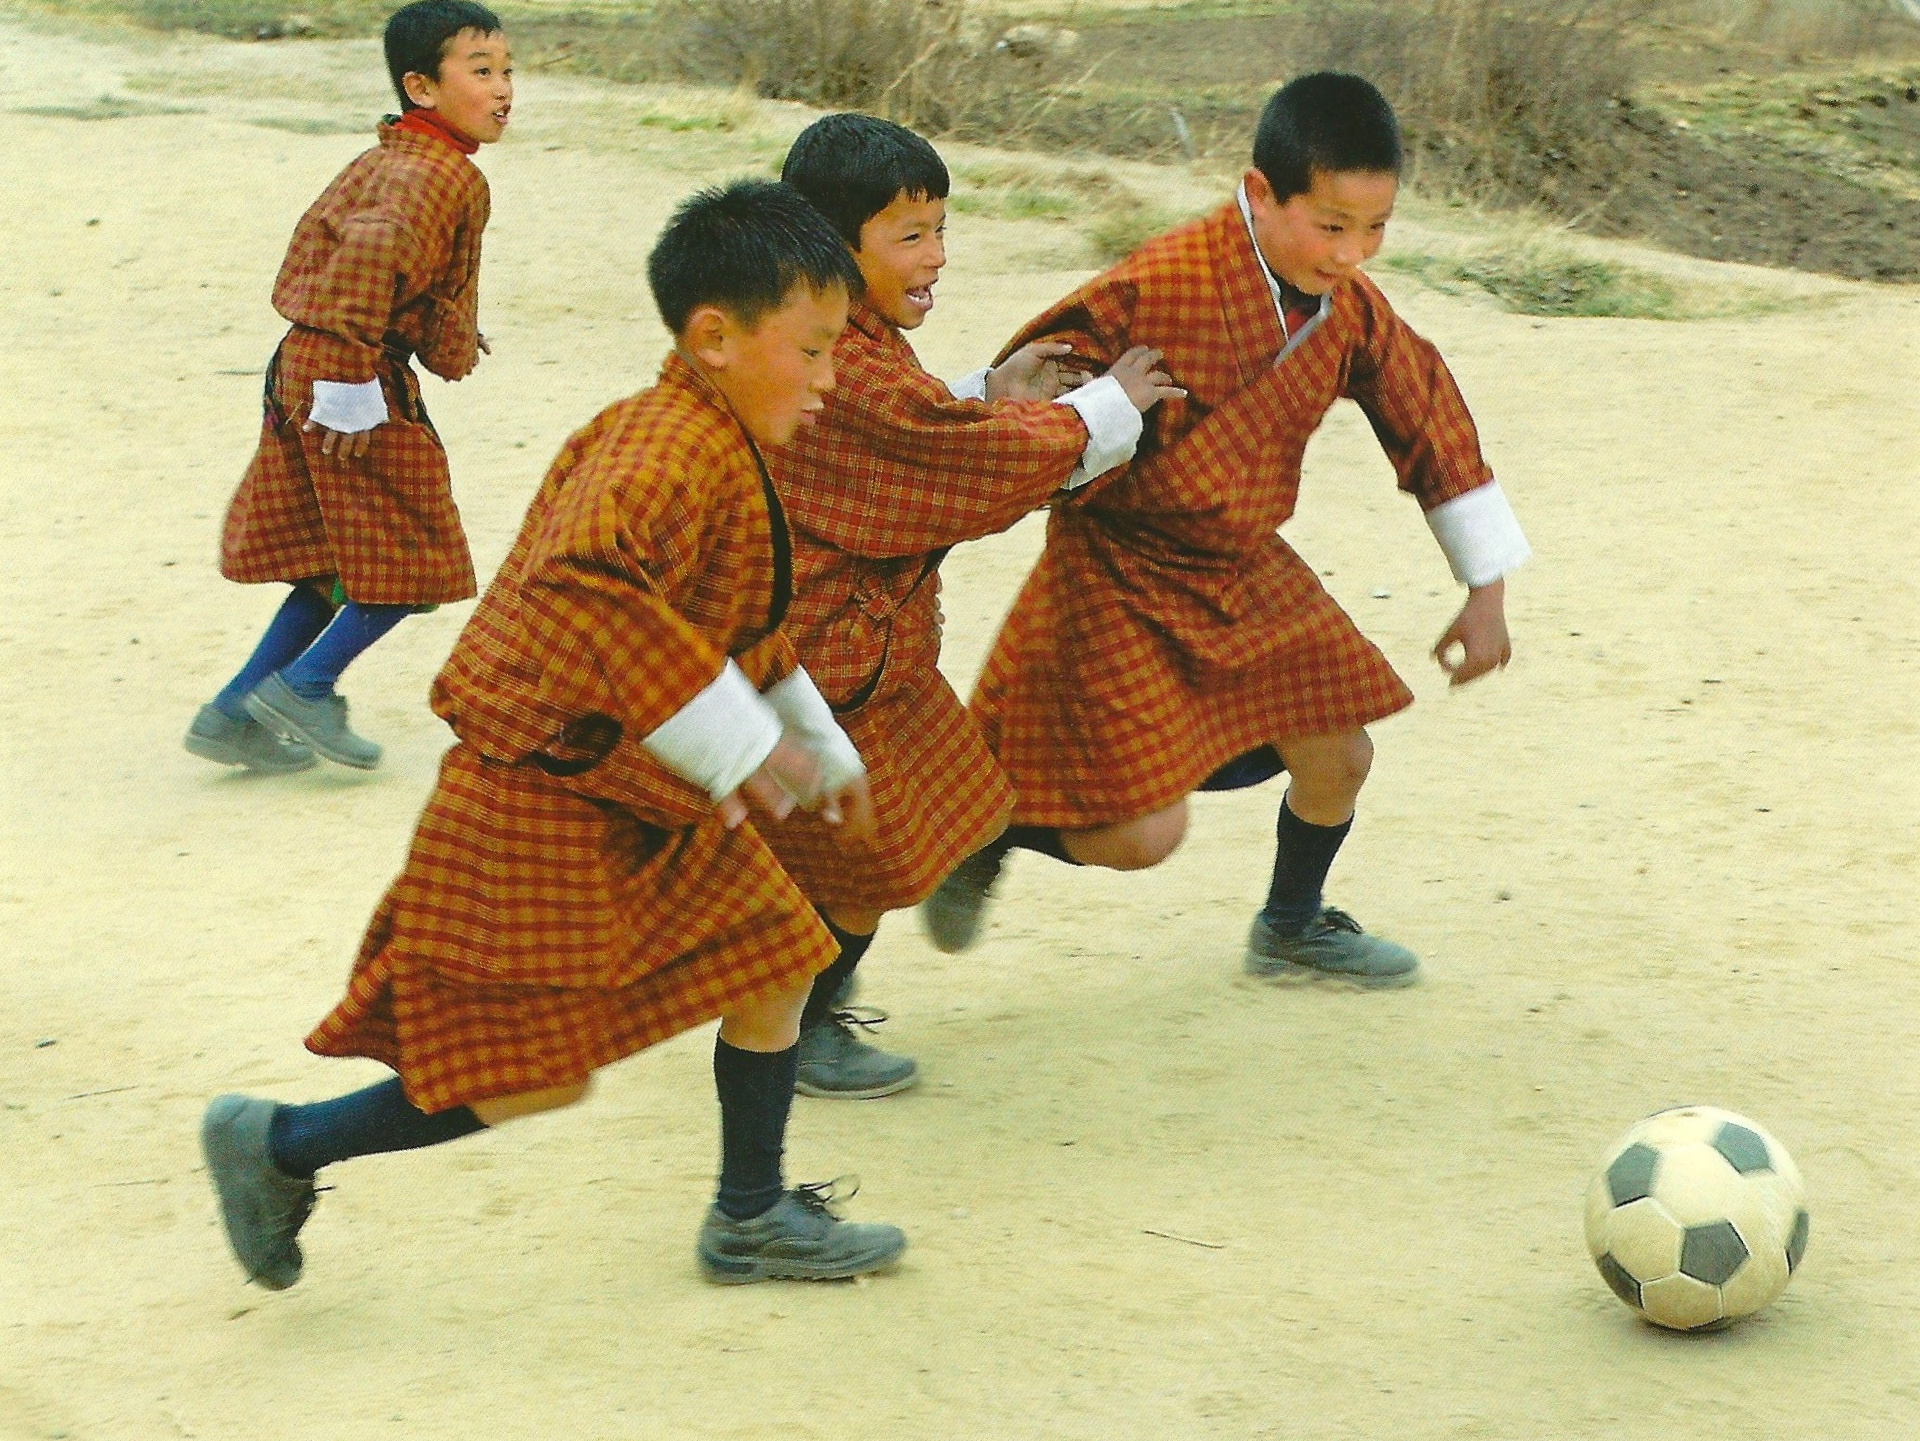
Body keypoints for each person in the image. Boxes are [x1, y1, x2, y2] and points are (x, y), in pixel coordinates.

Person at [200, 179, 908, 1291]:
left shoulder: (718, 438)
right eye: (815, 350)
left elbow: (733, 628)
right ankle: (279, 1145)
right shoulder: (661, 449)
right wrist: (746, 746)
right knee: (532, 1077)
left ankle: (751, 1214)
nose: (831, 379)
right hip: (537, 794)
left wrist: (809, 742)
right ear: (714, 336)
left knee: (780, 959)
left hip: (648, 784)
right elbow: (587, 587)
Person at [923, 73, 1531, 988]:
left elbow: (1425, 408)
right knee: (1140, 837)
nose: (1353, 252)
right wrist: (1094, 412)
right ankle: (985, 833)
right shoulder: (1160, 283)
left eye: (1375, 229)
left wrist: (1485, 586)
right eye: (1331, 226)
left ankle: (1291, 926)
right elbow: (1021, 395)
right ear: (1260, 193)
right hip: (1118, 570)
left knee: (1340, 752)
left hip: (1243, 563)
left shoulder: (1349, 310)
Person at [763, 114, 1181, 1097]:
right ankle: (797, 1036)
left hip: (861, 656)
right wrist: (1102, 407)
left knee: (925, 818)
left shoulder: (833, 329)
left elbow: (915, 438)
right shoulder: (842, 357)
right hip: (823, 663)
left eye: (942, 229)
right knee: (850, 866)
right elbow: (942, 460)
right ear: (834, 241)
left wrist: (995, 390)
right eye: (910, 235)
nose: (938, 256)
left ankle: (811, 1003)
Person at [184, 0, 509, 774]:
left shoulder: (397, 156)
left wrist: (442, 328)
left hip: (313, 360)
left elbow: (391, 268)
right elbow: (370, 253)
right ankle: (305, 686)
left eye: (507, 72)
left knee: (336, 559)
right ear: (421, 88)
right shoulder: (441, 176)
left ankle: (232, 712)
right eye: (483, 71)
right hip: (346, 373)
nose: (503, 90)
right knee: (410, 554)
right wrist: (354, 383)